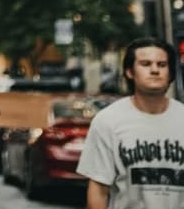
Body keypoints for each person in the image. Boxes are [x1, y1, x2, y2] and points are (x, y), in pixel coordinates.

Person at [77, 37, 184, 209]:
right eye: (146, 64)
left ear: (170, 73)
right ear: (129, 72)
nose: (155, 70)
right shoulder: (108, 121)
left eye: (162, 65)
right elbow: (99, 189)